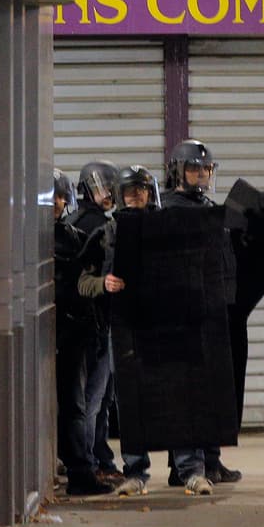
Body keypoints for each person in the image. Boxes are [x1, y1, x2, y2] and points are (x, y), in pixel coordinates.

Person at [159, 139, 241, 491]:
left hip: (212, 313)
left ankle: (210, 460)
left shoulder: (208, 207)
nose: (203, 174)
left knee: (211, 392)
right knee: (186, 394)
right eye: (195, 168)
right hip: (181, 316)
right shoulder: (168, 211)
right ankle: (186, 468)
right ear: (178, 171)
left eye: (206, 169)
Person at [77, 164, 162, 495]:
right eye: (129, 192)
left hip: (162, 327)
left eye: (141, 190)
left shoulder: (168, 228)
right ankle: (135, 470)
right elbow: (82, 282)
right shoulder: (107, 232)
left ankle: (189, 468)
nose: (136, 197)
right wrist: (104, 283)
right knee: (126, 402)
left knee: (173, 395)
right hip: (122, 328)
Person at [53, 168, 113, 496]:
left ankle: (80, 471)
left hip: (72, 333)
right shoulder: (21, 236)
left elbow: (82, 283)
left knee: (75, 403)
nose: (58, 202)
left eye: (61, 196)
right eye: (52, 196)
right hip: (44, 334)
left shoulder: (73, 235)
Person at [65, 160, 121, 488]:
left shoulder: (77, 221)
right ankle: (91, 461)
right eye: (101, 187)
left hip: (83, 324)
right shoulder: (97, 225)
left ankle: (95, 457)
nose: (108, 194)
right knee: (94, 399)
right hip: (95, 322)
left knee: (92, 399)